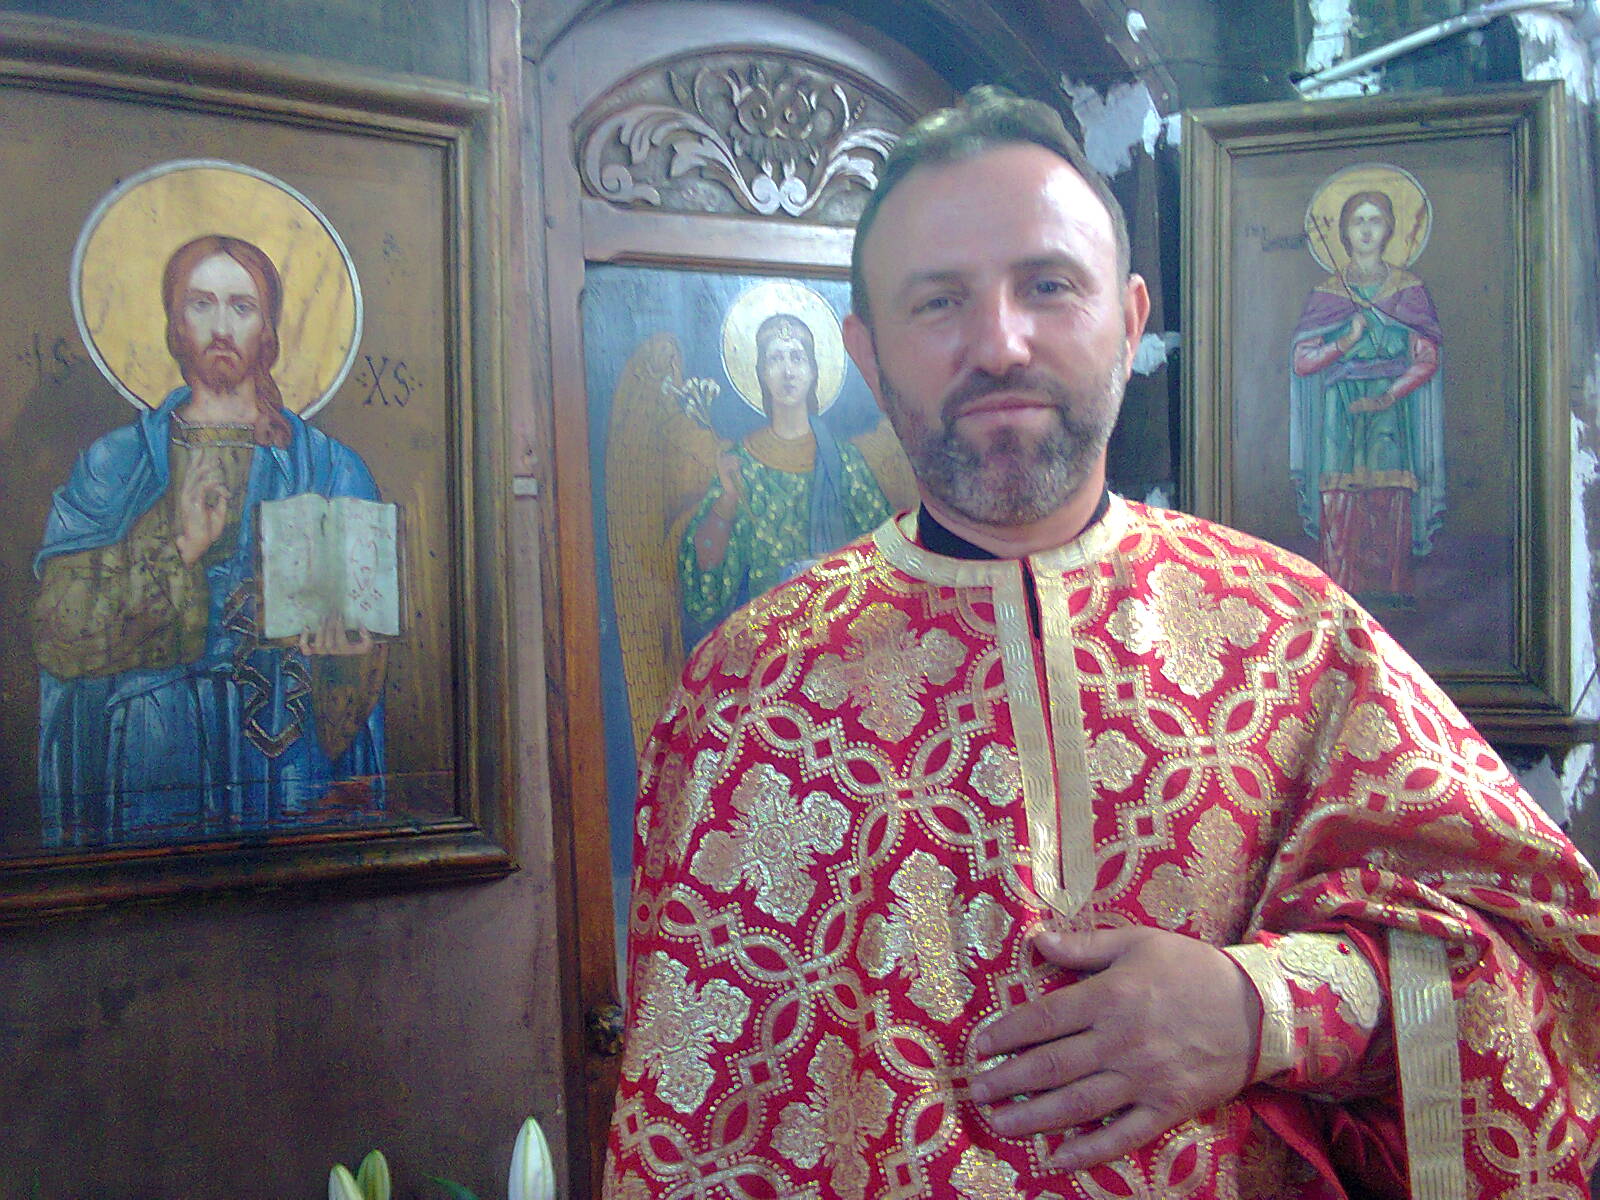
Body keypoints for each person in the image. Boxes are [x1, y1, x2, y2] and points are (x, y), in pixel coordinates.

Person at [606, 87, 1600, 1200]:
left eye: (1048, 285)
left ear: (1128, 322)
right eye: (938, 302)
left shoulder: (1301, 637)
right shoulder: (749, 690)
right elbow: (686, 1118)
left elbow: (1544, 969)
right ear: (868, 356)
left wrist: (1264, 1011)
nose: (1000, 344)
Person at [34, 234, 386, 847]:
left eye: (241, 307)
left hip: (285, 749)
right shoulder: (114, 465)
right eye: (201, 303)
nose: (221, 327)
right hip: (155, 742)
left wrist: (338, 640)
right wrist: (178, 549)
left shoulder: (329, 468)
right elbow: (58, 634)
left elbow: (361, 655)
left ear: (268, 328)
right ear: (174, 322)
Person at [679, 308, 890, 643]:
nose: (788, 371)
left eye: (797, 357)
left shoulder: (844, 461)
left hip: (838, 635)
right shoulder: (740, 464)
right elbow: (704, 591)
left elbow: (886, 551)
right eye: (775, 359)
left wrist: (830, 570)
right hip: (765, 641)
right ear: (761, 373)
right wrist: (727, 501)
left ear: (813, 371)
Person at [1290, 187, 1444, 606]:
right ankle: (1339, 590)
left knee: (1388, 492)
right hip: (1340, 407)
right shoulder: (1328, 294)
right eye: (1358, 221)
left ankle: (1390, 590)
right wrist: (1346, 341)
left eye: (1375, 220)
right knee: (1340, 495)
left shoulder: (1408, 291)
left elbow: (1426, 358)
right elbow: (1303, 362)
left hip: (1390, 407)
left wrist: (1388, 396)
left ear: (1390, 229)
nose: (1366, 230)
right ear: (1343, 231)